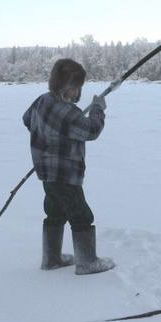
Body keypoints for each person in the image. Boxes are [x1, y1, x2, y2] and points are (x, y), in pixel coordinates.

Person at [22, 58, 115, 275]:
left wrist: (47, 136)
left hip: (46, 172)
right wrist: (98, 109)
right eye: (75, 87)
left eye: (78, 87)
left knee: (55, 212)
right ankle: (87, 262)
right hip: (65, 174)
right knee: (81, 215)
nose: (76, 92)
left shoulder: (42, 101)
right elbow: (91, 130)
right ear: (63, 85)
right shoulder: (65, 111)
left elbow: (27, 119)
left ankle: (51, 259)